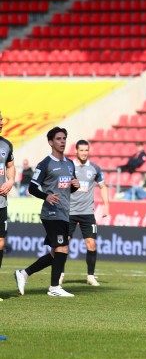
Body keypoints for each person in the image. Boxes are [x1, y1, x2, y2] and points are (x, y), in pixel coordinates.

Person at [14, 127, 80, 298]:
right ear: (51, 142)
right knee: (63, 248)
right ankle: (54, 287)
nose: (62, 141)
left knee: (56, 252)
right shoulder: (45, 164)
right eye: (58, 138)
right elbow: (32, 187)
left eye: (64, 138)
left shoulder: (70, 164)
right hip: (51, 213)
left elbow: (67, 191)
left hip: (64, 212)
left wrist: (75, 187)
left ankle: (24, 273)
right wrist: (46, 197)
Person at [67, 140, 110, 287]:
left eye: (87, 150)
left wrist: (106, 205)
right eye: (82, 150)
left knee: (91, 244)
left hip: (87, 213)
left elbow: (103, 187)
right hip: (69, 212)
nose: (84, 153)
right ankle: (59, 275)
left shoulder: (95, 168)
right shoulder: (68, 166)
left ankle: (90, 276)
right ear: (76, 151)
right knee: (63, 245)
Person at [0, 112, 16, 298]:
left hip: (2, 203)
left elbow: (10, 166)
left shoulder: (6, 144)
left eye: (2, 119)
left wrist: (11, 181)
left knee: (1, 243)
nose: (2, 122)